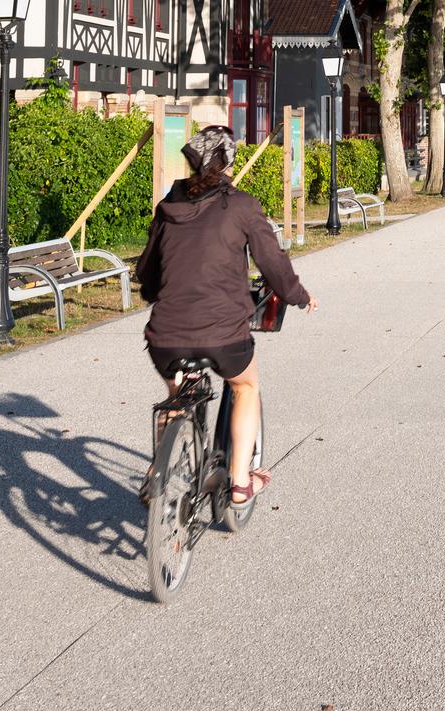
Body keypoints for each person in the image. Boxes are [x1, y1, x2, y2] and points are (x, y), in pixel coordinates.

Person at [135, 125, 317, 507]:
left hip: (165, 335)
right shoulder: (242, 206)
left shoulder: (169, 205)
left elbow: (148, 268)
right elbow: (272, 263)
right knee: (245, 386)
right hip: (225, 335)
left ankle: (158, 473)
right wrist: (297, 296)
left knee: (176, 393)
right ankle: (238, 482)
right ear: (229, 163)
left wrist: (155, 295)